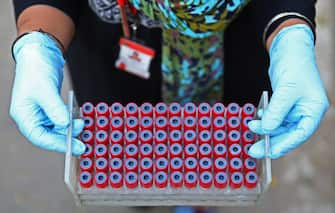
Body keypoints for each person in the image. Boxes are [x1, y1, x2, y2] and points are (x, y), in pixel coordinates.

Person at [10, 0, 329, 161]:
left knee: (220, 146)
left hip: (234, 45)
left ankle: (201, 193)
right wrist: (39, 43)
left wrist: (289, 33)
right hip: (115, 48)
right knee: (123, 147)